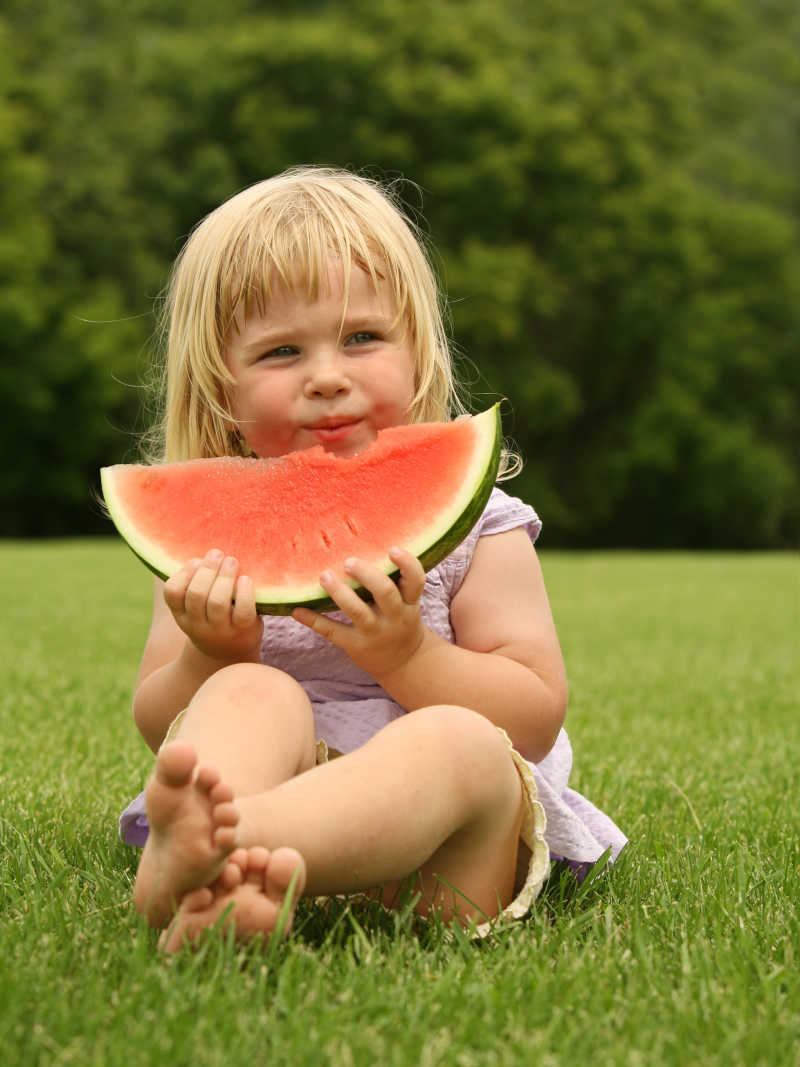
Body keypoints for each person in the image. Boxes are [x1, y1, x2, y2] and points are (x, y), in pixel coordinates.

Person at [119, 166, 627, 952]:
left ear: (417, 348)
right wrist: (209, 656)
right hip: (284, 783)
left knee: (460, 740)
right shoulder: (208, 552)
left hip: (441, 859)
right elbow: (162, 722)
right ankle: (237, 892)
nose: (328, 377)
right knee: (249, 688)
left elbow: (532, 714)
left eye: (362, 338)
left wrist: (411, 653)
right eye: (282, 351)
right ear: (220, 386)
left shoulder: (482, 526)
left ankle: (222, 845)